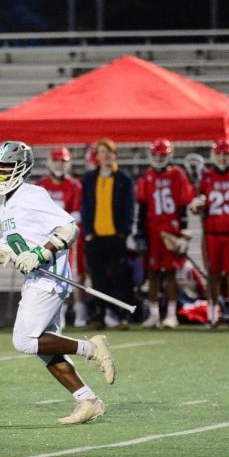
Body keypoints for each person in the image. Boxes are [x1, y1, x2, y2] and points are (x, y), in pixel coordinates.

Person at [0, 140, 117, 424]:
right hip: (36, 279)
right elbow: (8, 248)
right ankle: (87, 400)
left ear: (22, 169)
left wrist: (41, 252)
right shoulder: (7, 205)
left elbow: (70, 228)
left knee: (24, 340)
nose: (2, 174)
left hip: (49, 278)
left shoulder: (31, 194)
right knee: (45, 349)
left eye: (8, 168)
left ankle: (91, 349)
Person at [189, 138, 229, 329]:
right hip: (211, 234)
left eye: (226, 154)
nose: (222, 158)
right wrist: (196, 205)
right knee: (213, 276)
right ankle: (212, 315)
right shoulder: (205, 178)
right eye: (219, 154)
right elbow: (195, 209)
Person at [134, 138, 196, 329]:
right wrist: (140, 233)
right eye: (156, 155)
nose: (159, 158)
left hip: (171, 229)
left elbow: (183, 203)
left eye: (162, 155)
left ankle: (171, 314)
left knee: (170, 274)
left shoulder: (177, 174)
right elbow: (143, 207)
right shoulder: (148, 176)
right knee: (152, 274)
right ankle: (154, 314)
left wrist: (183, 231)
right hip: (153, 231)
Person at [80, 138, 136, 330]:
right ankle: (98, 315)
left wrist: (124, 232)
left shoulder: (123, 179)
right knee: (97, 279)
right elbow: (85, 207)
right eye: (102, 152)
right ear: (97, 156)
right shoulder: (89, 179)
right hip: (95, 238)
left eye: (108, 152)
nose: (105, 155)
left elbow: (129, 207)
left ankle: (122, 315)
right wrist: (87, 232)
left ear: (114, 155)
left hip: (116, 237)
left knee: (121, 278)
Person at [36, 147, 87, 328]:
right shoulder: (41, 185)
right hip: (45, 237)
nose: (60, 164)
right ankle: (54, 313)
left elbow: (76, 213)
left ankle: (79, 311)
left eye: (63, 161)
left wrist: (63, 231)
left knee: (71, 273)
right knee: (49, 276)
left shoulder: (74, 185)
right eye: (57, 160)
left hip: (67, 236)